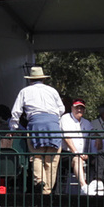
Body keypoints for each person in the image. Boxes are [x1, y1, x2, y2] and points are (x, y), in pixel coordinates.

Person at [12, 65, 67, 195]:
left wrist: (13, 127)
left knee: (37, 155)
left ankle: (40, 179)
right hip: (53, 124)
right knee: (52, 159)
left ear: (30, 79)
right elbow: (62, 109)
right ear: (43, 79)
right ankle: (47, 190)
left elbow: (16, 111)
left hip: (35, 124)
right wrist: (53, 117)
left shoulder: (24, 91)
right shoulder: (52, 90)